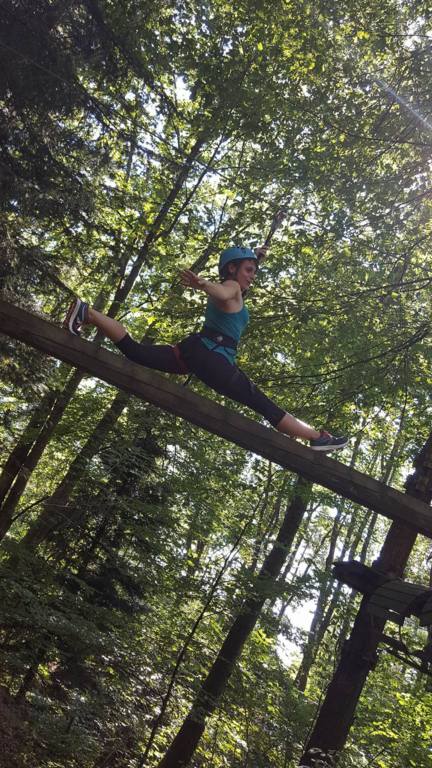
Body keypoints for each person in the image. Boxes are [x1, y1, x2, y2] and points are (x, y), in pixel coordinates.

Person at [64, 246, 348, 452]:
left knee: (137, 352)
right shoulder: (231, 287)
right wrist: (202, 284)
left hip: (195, 351)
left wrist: (256, 257)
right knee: (262, 404)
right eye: (249, 270)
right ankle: (317, 438)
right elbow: (224, 290)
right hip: (214, 359)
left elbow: (234, 287)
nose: (253, 276)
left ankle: (87, 313)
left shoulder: (237, 290)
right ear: (232, 269)